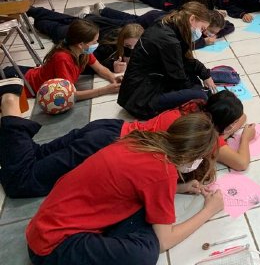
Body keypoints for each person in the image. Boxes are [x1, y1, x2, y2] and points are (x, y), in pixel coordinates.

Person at [25, 113, 223, 265]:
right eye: (201, 158)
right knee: (145, 252)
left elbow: (139, 180)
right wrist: (209, 210)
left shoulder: (144, 140)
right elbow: (165, 241)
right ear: (191, 156)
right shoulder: (163, 170)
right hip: (52, 247)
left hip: (46, 224)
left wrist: (177, 188)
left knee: (144, 209)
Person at [0, 82, 252, 198]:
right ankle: (10, 109)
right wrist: (245, 138)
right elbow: (241, 163)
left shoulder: (193, 107)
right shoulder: (203, 134)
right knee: (22, 183)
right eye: (231, 127)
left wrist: (230, 126)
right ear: (223, 126)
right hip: (104, 147)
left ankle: (13, 135)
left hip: (109, 128)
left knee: (38, 155)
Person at [118, 2, 216, 119]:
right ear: (192, 19)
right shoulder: (169, 40)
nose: (201, 33)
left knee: (195, 81)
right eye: (202, 28)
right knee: (200, 95)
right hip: (140, 100)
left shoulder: (168, 24)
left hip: (143, 86)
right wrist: (200, 92)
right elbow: (179, 78)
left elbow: (182, 61)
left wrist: (204, 74)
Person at [3, 20, 121, 100]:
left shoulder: (83, 52)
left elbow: (99, 68)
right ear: (81, 44)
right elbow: (70, 95)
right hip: (23, 83)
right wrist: (104, 90)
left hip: (30, 73)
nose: (96, 44)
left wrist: (113, 78)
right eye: (94, 41)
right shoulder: (63, 59)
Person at [27, 7, 144, 73]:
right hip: (83, 34)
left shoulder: (141, 43)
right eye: (127, 46)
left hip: (91, 25)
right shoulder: (108, 46)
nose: (132, 49)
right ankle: (33, 13)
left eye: (136, 46)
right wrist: (111, 65)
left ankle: (35, 14)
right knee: (53, 28)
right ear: (121, 41)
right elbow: (87, 63)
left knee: (65, 19)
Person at [94, 4, 235, 49]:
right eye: (208, 30)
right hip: (152, 20)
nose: (209, 34)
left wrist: (216, 34)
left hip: (158, 17)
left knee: (130, 18)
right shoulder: (193, 26)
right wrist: (203, 42)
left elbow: (230, 26)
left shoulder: (209, 23)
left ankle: (103, 11)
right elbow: (184, 44)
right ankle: (93, 17)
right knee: (123, 25)